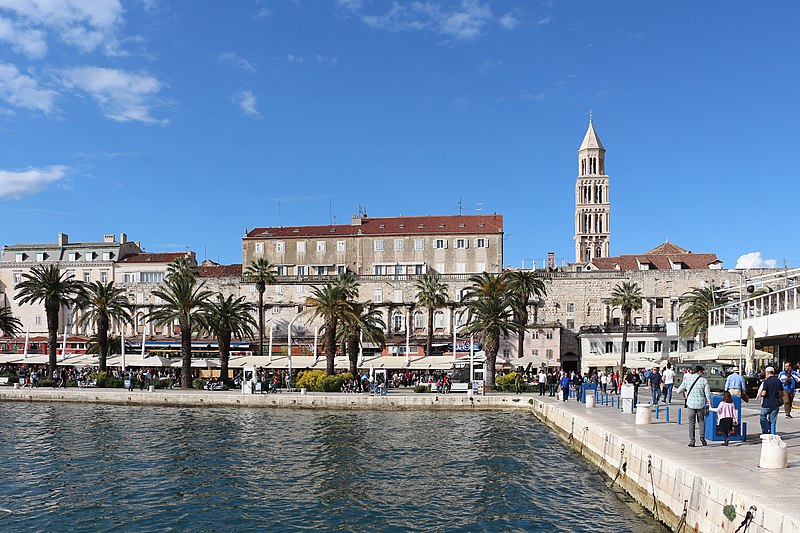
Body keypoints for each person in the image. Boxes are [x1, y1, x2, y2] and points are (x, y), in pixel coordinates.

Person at [675, 365, 712, 447]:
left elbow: (678, 391)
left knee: (691, 422)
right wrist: (710, 405)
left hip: (690, 404)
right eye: (702, 372)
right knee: (701, 421)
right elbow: (708, 394)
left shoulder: (687, 380)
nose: (703, 373)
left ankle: (692, 441)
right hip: (701, 404)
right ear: (699, 372)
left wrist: (686, 390)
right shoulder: (704, 381)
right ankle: (702, 437)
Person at [759, 367, 782, 434]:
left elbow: (764, 393)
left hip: (767, 403)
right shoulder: (778, 381)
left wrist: (760, 394)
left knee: (762, 417)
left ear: (767, 373)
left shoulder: (766, 381)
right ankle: (772, 434)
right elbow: (782, 393)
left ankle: (766, 431)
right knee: (773, 421)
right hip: (776, 404)